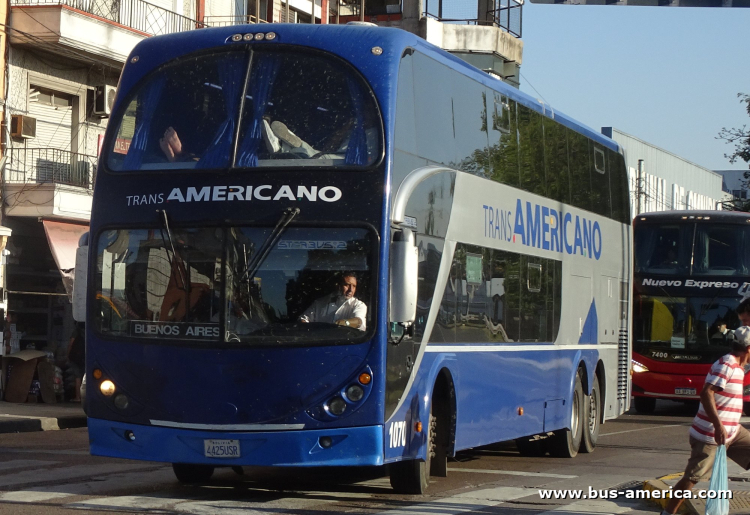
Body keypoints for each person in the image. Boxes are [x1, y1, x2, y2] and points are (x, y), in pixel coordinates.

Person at [661, 326, 750, 515]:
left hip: (733, 432)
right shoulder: (727, 364)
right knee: (692, 477)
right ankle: (667, 513)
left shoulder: (740, 367)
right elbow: (706, 393)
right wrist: (718, 426)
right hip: (710, 434)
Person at [299, 272, 367, 331]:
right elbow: (303, 319)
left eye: (354, 286)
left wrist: (345, 323)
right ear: (338, 285)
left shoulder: (359, 305)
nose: (351, 289)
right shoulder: (320, 303)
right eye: (347, 285)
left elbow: (359, 321)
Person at [67, 322, 86, 402]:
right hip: (85, 357)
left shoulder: (76, 332)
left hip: (76, 357)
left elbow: (71, 344)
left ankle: (78, 397)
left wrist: (68, 354)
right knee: (85, 377)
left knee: (77, 377)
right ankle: (85, 397)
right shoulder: (91, 330)